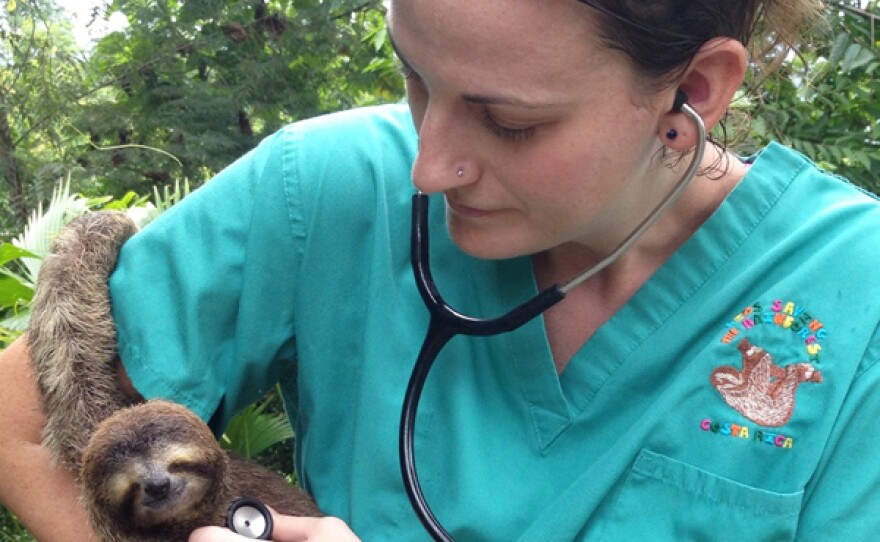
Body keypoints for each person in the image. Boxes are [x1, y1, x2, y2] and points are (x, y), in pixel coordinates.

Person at [2, 0, 879, 540]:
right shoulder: (331, 186)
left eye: (508, 121)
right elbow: (21, 428)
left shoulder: (855, 293)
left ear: (697, 86)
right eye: (416, 77)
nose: (429, 166)